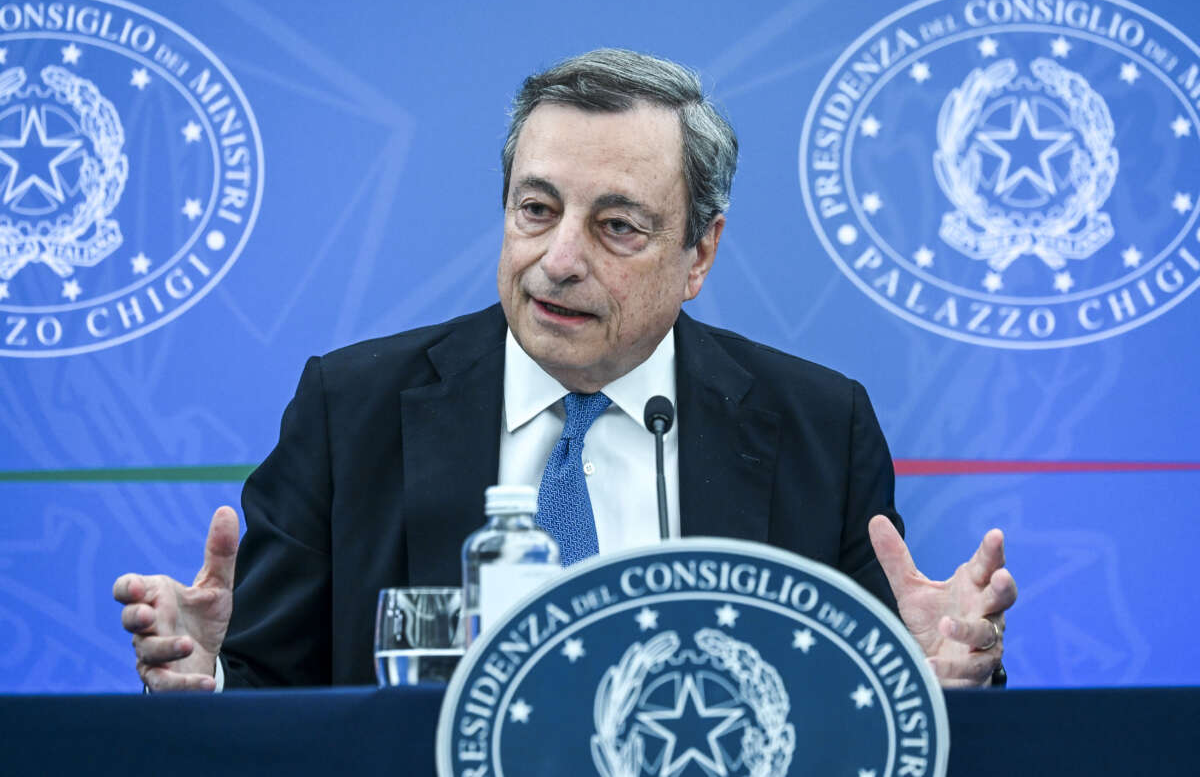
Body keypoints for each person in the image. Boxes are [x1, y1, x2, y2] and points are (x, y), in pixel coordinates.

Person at [113, 49, 1016, 692]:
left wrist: (943, 677)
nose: (559, 261)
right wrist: (211, 676)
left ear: (700, 254)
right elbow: (272, 695)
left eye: (617, 226)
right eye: (537, 210)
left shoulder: (819, 426)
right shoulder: (351, 411)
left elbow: (875, 708)